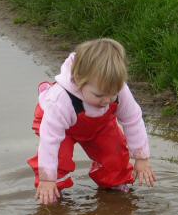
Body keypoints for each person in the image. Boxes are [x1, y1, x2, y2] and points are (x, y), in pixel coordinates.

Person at [27, 38, 156, 205]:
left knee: (115, 154)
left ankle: (114, 188)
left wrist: (141, 158)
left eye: (113, 94)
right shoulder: (60, 101)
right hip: (59, 128)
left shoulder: (117, 89)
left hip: (99, 125)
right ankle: (52, 194)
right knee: (59, 161)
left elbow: (133, 119)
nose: (107, 100)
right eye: (99, 95)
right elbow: (49, 141)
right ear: (78, 81)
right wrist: (47, 179)